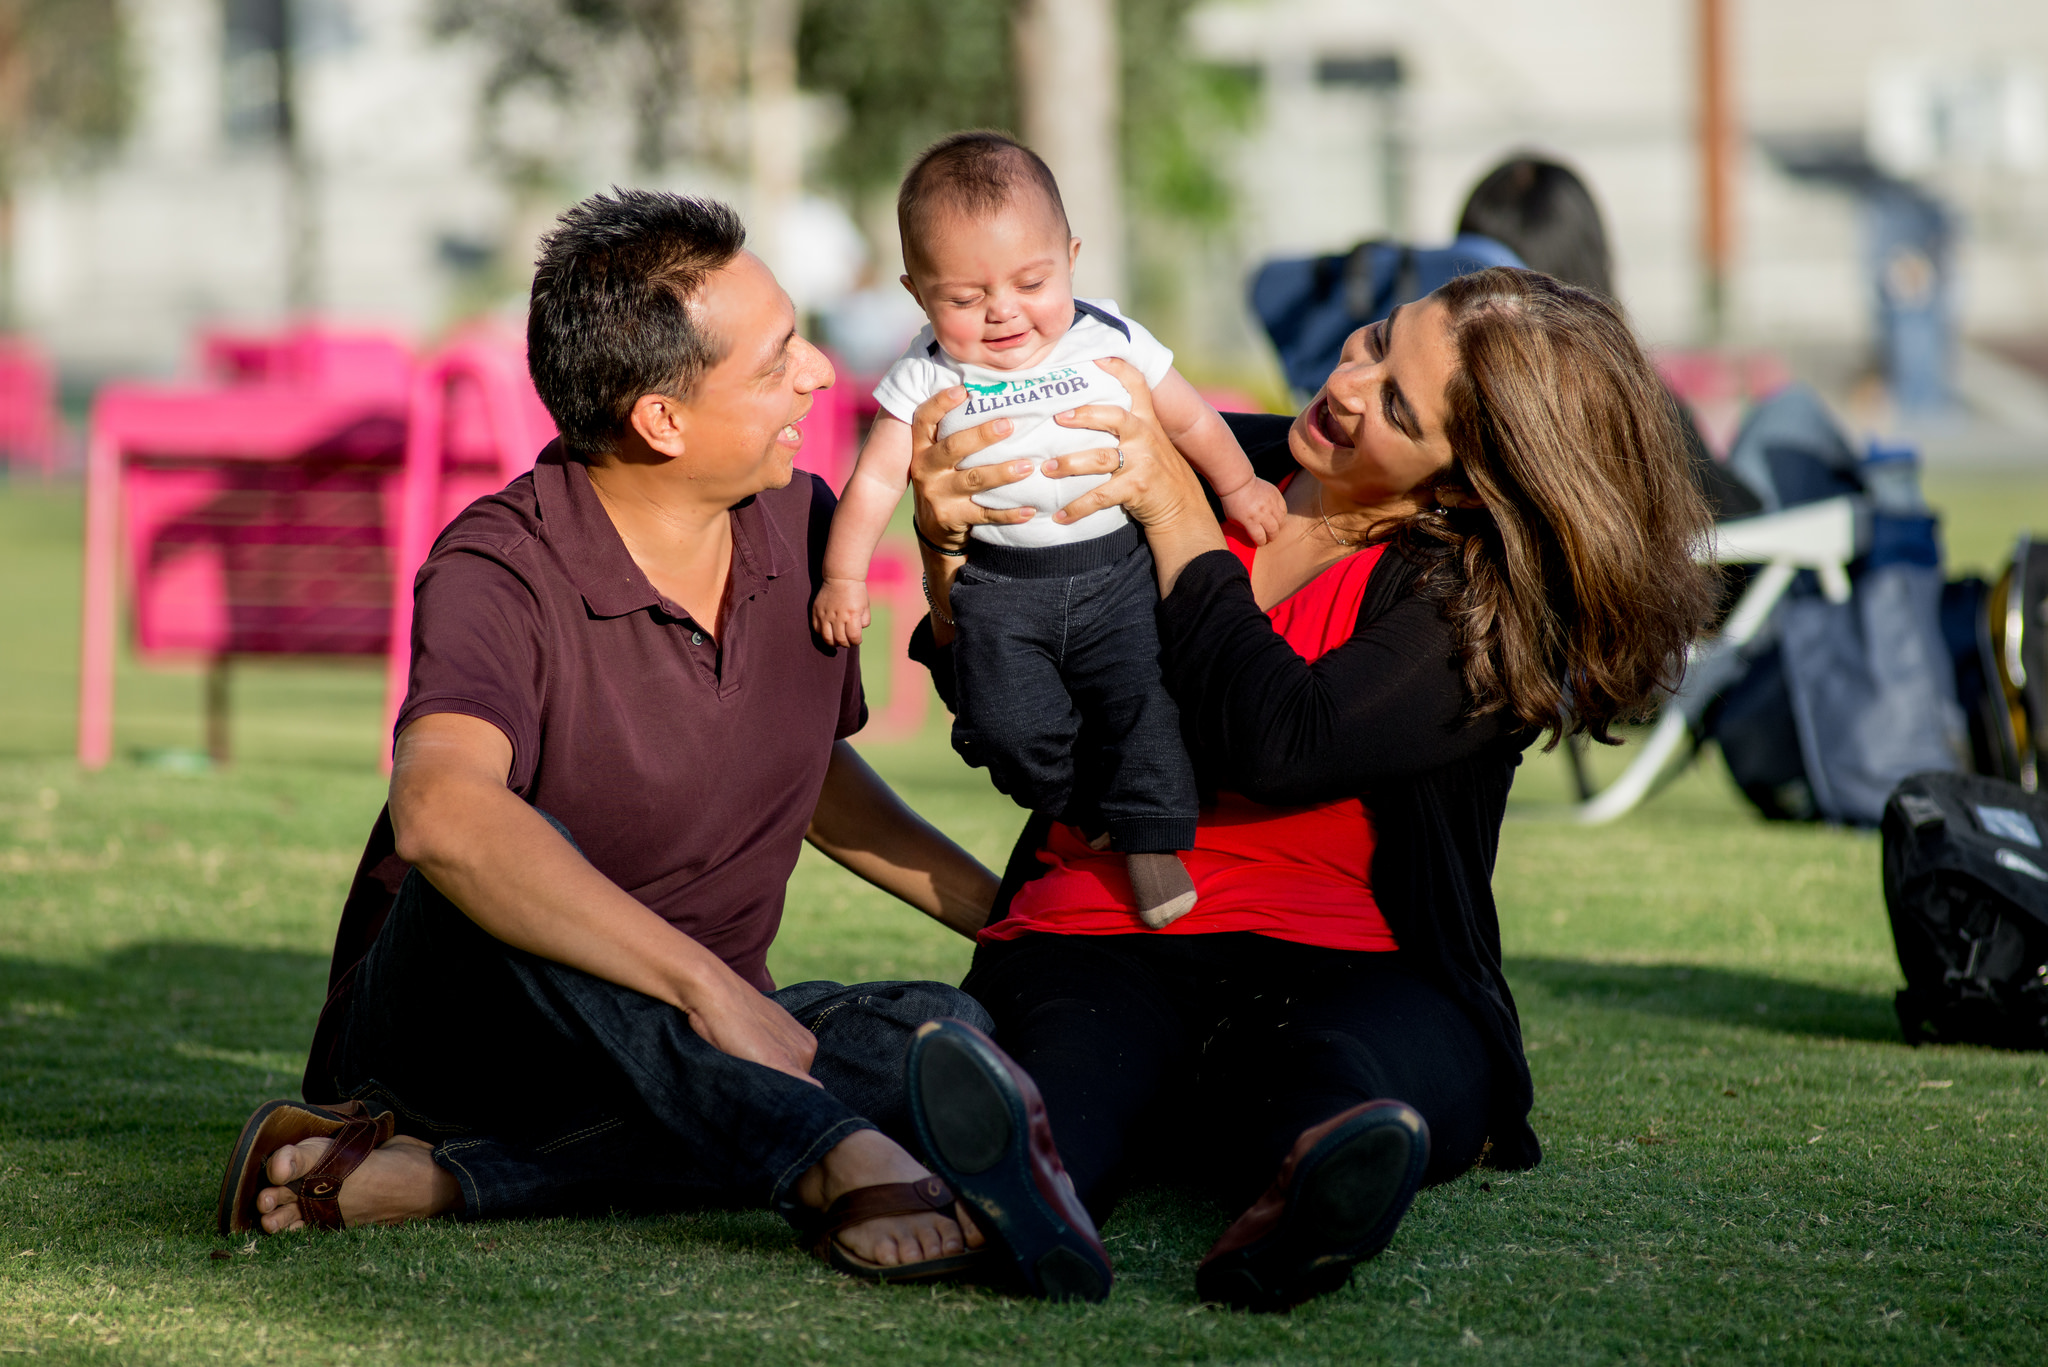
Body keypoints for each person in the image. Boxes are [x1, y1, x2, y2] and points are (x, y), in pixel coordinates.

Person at [213, 189, 1095, 1295]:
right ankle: (824, 1154)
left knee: (942, 1027)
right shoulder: (499, 567)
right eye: (777, 361)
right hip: (469, 1037)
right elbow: (442, 816)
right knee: (510, 845)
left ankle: (443, 1183)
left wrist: (1015, 919)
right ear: (660, 420)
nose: (820, 374)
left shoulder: (802, 525)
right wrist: (704, 988)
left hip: (685, 1056)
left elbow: (809, 775)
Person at [904, 266, 1716, 1310]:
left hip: (1353, 963)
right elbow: (1015, 720)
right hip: (1110, 922)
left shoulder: (1472, 605)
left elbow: (1281, 739)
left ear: (1466, 481)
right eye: (1375, 340)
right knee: (1071, 1067)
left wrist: (1169, 517)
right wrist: (946, 554)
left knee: (1354, 1079)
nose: (1345, 383)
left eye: (1394, 404)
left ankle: (1310, 1195)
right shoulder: (1204, 455)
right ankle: (1025, 1181)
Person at [812, 132, 1286, 928]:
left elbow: (1193, 419)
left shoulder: (1110, 340)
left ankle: (1151, 838)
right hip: (1000, 589)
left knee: (1143, 701)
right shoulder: (927, 373)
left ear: (1070, 256)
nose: (1002, 310)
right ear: (917, 292)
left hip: (1116, 571)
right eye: (964, 297)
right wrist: (843, 577)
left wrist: (1239, 485)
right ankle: (1082, 804)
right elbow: (874, 482)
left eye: (1031, 281)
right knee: (1005, 724)